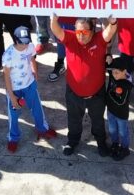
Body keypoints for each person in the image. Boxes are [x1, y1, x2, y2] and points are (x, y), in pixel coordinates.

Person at [49, 13, 117, 156]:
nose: (81, 35)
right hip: (73, 94)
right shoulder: (70, 38)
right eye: (78, 31)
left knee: (98, 121)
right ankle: (72, 141)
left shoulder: (99, 40)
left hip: (96, 95)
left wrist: (113, 21)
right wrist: (54, 19)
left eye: (85, 32)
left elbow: (110, 31)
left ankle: (101, 142)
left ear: (92, 31)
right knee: (73, 120)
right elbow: (56, 30)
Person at [1, 25, 57, 153]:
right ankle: (13, 138)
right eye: (22, 43)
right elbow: (7, 77)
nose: (25, 45)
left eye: (27, 42)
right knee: (13, 116)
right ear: (15, 40)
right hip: (14, 89)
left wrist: (35, 72)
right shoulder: (8, 55)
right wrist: (12, 96)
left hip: (30, 85)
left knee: (37, 109)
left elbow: (31, 58)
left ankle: (42, 129)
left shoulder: (30, 46)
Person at [104, 54, 134, 160]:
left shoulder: (126, 85)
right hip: (111, 111)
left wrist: (108, 95)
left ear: (124, 71)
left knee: (123, 132)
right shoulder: (114, 74)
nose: (114, 74)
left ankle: (125, 148)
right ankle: (115, 143)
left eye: (117, 72)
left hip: (121, 114)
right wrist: (108, 56)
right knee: (112, 129)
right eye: (113, 72)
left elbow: (121, 101)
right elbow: (107, 66)